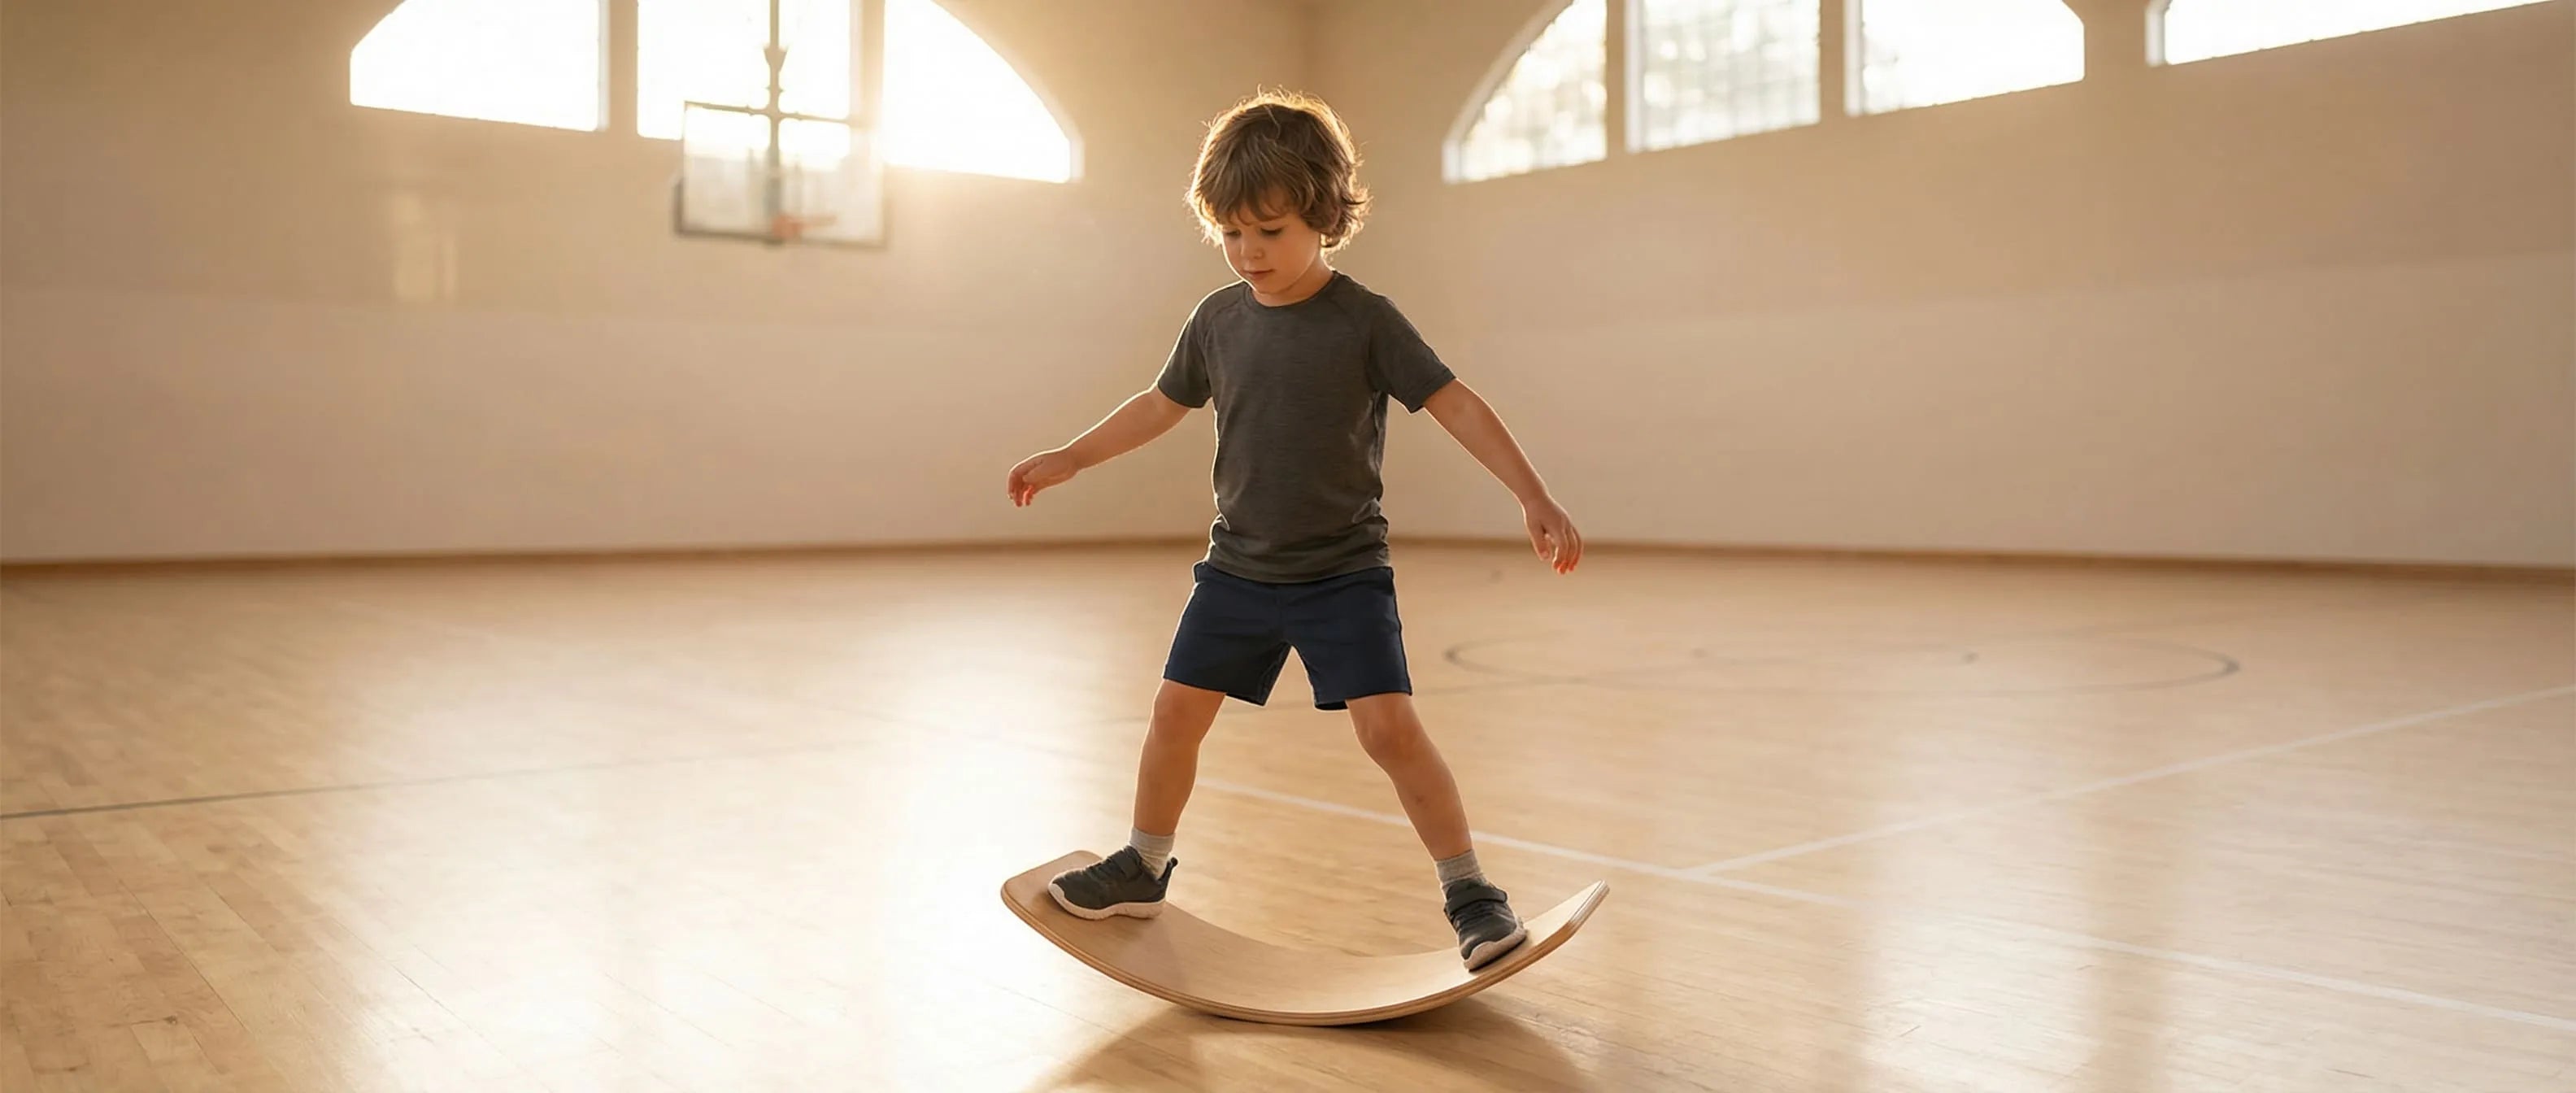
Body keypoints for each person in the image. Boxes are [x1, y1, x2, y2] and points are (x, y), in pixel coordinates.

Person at [1003, 90, 1582, 970]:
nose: (1248, 254)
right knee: (1172, 716)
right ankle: (1144, 866)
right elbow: (1160, 405)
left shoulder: (1365, 321)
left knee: (1389, 732)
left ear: (1322, 214)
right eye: (1232, 234)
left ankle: (1471, 892)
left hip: (1342, 573)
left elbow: (1457, 404)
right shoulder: (1217, 321)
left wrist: (1532, 495)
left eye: (1268, 232)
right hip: (1236, 569)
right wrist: (1073, 457)